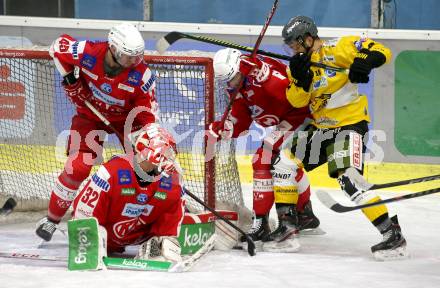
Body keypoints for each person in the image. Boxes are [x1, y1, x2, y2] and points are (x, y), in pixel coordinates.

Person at [282, 15, 407, 260]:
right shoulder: (297, 65)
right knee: (282, 163)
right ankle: (287, 228)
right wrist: (300, 79)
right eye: (290, 46)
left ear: (309, 38)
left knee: (348, 180)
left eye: (296, 44)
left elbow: (380, 50)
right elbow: (296, 100)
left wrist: (363, 62)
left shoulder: (338, 47)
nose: (293, 50)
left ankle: (392, 234)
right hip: (320, 129)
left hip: (349, 125)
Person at [36, 23, 159, 242]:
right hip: (90, 116)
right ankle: (51, 220)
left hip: (126, 121)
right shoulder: (89, 52)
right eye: (127, 56)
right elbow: (57, 46)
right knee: (77, 167)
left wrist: (150, 142)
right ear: (113, 48)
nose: (133, 62)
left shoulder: (141, 75)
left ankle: (154, 221)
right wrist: (70, 79)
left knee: (148, 168)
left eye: (137, 57)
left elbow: (147, 116)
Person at [209, 48, 320, 252]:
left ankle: (262, 225)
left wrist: (264, 76)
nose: (229, 84)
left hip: (301, 117)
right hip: (286, 121)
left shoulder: (264, 74)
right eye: (225, 80)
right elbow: (242, 118)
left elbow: (297, 96)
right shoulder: (237, 85)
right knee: (278, 163)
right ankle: (304, 214)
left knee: (264, 159)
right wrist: (227, 127)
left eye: (231, 78)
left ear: (240, 69)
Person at [72, 124, 184, 262]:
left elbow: (170, 220)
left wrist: (166, 239)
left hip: (138, 238)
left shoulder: (172, 182)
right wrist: (86, 246)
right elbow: (84, 213)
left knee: (166, 243)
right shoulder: (110, 173)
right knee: (90, 239)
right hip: (105, 238)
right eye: (166, 152)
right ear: (152, 153)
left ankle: (154, 248)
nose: (169, 158)